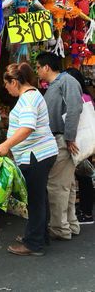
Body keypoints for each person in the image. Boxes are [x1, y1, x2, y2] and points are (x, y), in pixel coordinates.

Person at [0, 63, 58, 256]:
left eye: (7, 84)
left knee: (35, 200)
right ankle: (40, 236)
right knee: (40, 197)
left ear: (15, 82)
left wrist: (6, 145)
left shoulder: (28, 99)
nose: (6, 88)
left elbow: (27, 127)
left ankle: (33, 244)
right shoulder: (32, 95)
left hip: (36, 155)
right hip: (40, 153)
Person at [36, 52, 83, 240]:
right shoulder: (56, 84)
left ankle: (59, 229)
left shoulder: (67, 82)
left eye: (38, 67)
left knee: (56, 186)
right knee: (67, 186)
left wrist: (70, 137)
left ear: (46, 67)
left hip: (63, 140)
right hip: (60, 139)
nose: (37, 71)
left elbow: (75, 108)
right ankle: (70, 225)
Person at [65, 67, 94, 225]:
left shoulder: (76, 97)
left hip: (78, 141)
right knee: (84, 176)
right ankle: (85, 209)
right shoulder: (87, 96)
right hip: (87, 140)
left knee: (83, 176)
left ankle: (87, 213)